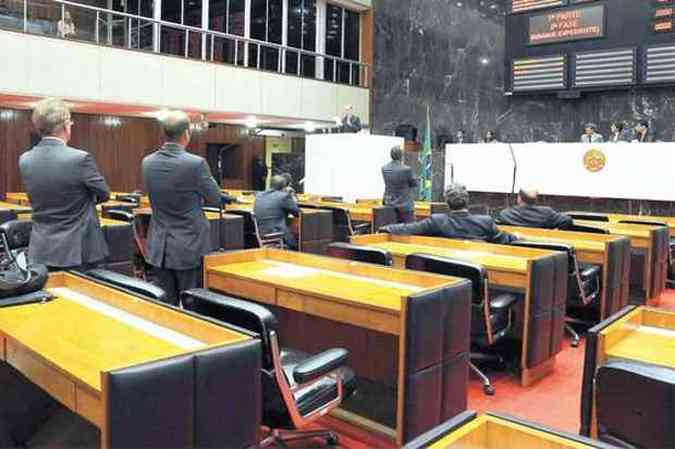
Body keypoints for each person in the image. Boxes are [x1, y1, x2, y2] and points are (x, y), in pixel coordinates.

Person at [142, 110, 224, 308]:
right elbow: (215, 198)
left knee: (166, 307)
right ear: (187, 133)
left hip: (159, 247)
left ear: (164, 133)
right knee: (193, 305)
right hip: (189, 246)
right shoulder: (196, 164)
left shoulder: (147, 162)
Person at [19, 98, 110, 271]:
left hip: (41, 250)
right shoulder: (80, 158)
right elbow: (104, 194)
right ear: (66, 125)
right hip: (78, 251)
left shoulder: (25, 159)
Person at [380, 183, 517, 244]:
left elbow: (407, 228)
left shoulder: (436, 221)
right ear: (467, 200)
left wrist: (384, 228)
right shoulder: (485, 222)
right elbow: (505, 239)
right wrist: (517, 237)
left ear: (447, 202)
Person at [254, 175, 301, 249]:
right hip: (276, 234)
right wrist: (292, 199)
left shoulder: (259, 195)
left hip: (261, 232)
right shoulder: (284, 196)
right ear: (284, 187)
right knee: (296, 245)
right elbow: (298, 213)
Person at [496, 189, 572, 230]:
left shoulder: (506, 214)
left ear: (519, 198)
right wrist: (556, 231)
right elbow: (567, 220)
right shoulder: (547, 213)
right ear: (536, 199)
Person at [381, 146, 418, 223]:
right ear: (401, 155)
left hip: (389, 204)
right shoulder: (406, 169)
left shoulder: (384, 168)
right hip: (405, 205)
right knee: (408, 230)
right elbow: (414, 184)